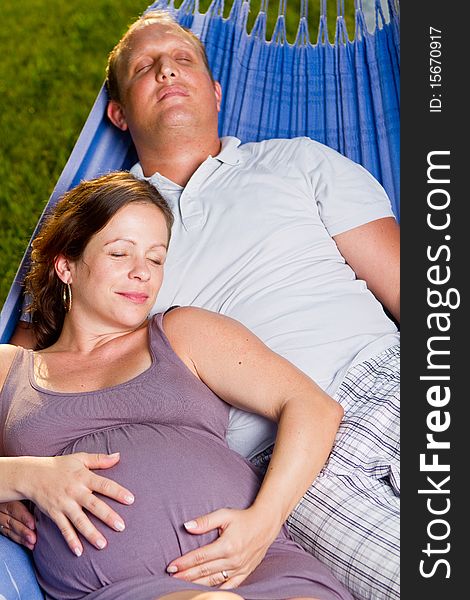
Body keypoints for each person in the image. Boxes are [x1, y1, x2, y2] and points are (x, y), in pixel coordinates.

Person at [3, 9, 400, 600]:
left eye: (183, 59)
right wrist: (15, 478)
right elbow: (38, 370)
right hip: (290, 461)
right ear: (118, 113)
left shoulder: (299, 161)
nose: (166, 71)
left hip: (390, 374)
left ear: (216, 91)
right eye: (144, 68)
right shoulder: (111, 221)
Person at [0, 171, 350, 600]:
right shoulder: (11, 369)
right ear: (66, 265)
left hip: (258, 567)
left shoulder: (183, 333)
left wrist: (263, 522)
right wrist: (25, 476)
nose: (141, 273)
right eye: (120, 253)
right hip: (124, 589)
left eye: (155, 258)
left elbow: (313, 406)